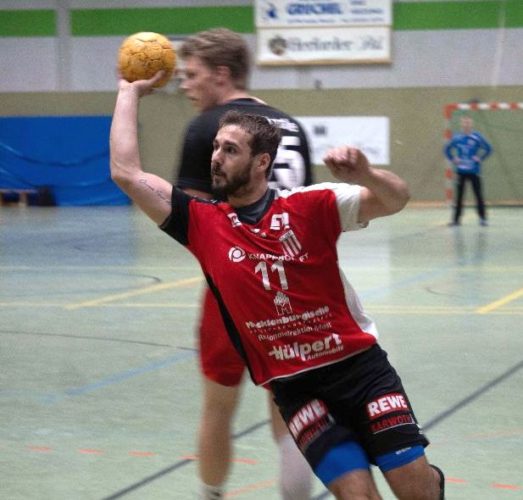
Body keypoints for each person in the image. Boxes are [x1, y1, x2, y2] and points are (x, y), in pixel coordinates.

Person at [109, 71, 445, 500]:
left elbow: (395, 198)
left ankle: (432, 482)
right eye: (216, 147)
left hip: (360, 371)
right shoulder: (201, 224)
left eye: (230, 150)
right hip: (296, 389)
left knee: (416, 491)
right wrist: (128, 92)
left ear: (261, 162)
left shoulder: (312, 205)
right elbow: (126, 173)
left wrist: (366, 174)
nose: (216, 158)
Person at [174, 28, 313, 499]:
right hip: (295, 291)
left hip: (233, 288)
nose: (185, 85)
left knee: (218, 408)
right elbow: (306, 212)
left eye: (191, 75)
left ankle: (210, 495)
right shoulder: (292, 126)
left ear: (221, 74)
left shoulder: (209, 127)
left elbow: (191, 223)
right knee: (292, 412)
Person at [444, 115, 492, 226]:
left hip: (474, 171)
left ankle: (483, 219)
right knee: (459, 196)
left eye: (468, 123)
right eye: (464, 123)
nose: (466, 125)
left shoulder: (477, 137)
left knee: (478, 195)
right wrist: (453, 158)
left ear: (471, 124)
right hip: (461, 172)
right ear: (461, 124)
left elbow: (489, 149)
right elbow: (447, 149)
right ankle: (456, 220)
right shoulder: (457, 137)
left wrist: (480, 158)